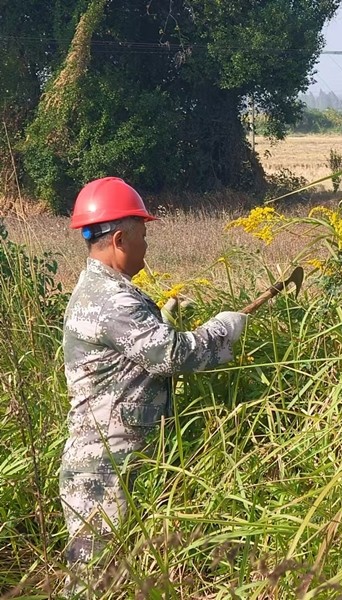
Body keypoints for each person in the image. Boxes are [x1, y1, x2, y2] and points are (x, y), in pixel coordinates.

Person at [59, 177, 248, 594]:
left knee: (126, 580)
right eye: (143, 235)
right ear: (121, 238)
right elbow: (174, 356)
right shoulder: (112, 299)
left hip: (121, 460)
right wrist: (222, 329)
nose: (147, 245)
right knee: (96, 585)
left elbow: (138, 353)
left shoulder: (104, 291)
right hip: (103, 470)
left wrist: (160, 318)